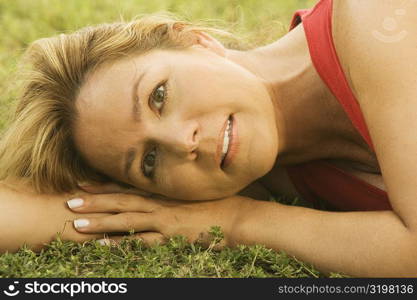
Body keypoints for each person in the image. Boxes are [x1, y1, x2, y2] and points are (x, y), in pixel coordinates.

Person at [0, 0, 416, 277]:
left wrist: (239, 221)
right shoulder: (253, 174)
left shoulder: (374, 20)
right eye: (149, 162)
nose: (183, 143)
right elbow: (32, 213)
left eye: (158, 96)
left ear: (194, 41)